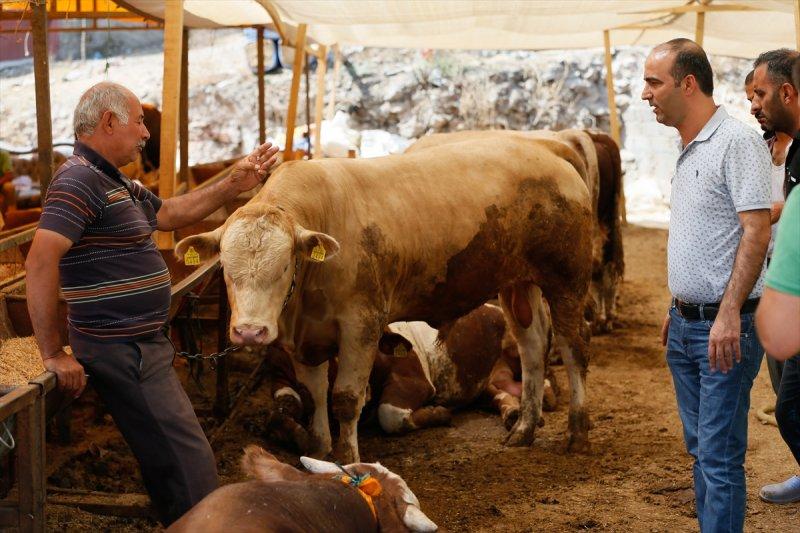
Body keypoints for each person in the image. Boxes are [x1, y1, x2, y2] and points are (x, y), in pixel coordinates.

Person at [25, 81, 279, 525]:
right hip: (123, 349)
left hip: (142, 345)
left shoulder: (113, 180)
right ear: (108, 122)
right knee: (189, 462)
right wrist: (52, 352)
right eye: (139, 122)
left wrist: (235, 182)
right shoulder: (79, 180)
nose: (146, 133)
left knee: (174, 458)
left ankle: (182, 520)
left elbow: (170, 214)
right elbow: (41, 261)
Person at [642, 39, 771, 532]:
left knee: (717, 456)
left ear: (688, 84)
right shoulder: (691, 145)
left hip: (725, 326)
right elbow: (705, 235)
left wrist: (724, 314)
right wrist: (678, 307)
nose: (645, 94)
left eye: (654, 82)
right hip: (686, 323)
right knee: (701, 448)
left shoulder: (736, 143)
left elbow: (756, 231)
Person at [750, 49, 800, 505]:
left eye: (761, 94)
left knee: (791, 407)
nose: (754, 105)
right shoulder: (773, 150)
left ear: (788, 93)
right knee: (787, 394)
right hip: (780, 287)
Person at [745, 67, 793, 395]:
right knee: (781, 382)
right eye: (750, 98)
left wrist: (779, 212)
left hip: (793, 275)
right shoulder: (758, 150)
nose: (753, 107)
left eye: (759, 96)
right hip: (768, 274)